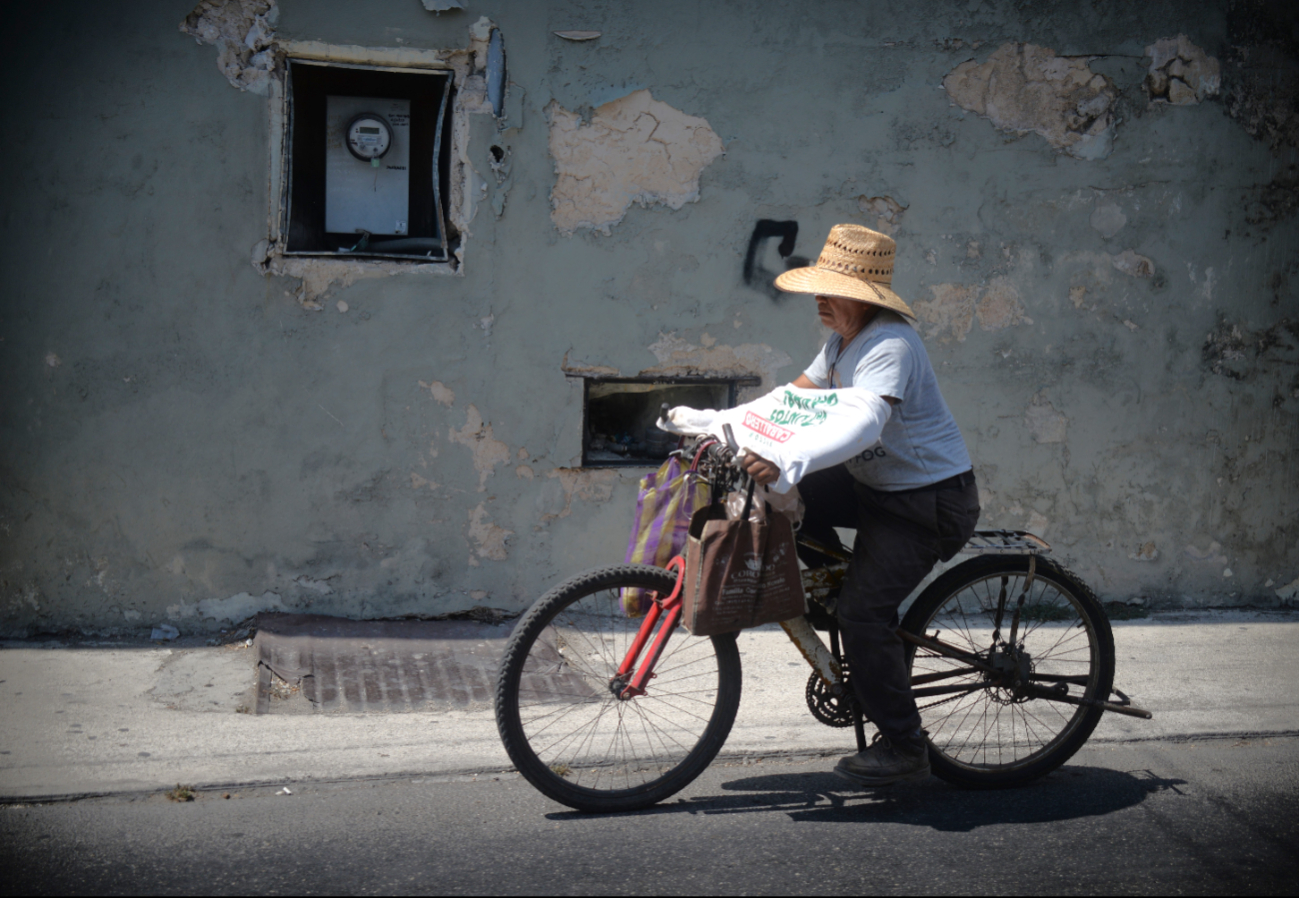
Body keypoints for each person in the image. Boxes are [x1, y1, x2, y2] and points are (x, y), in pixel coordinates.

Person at [741, 223, 981, 786]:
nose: (820, 299)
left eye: (832, 288)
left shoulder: (890, 346)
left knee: (861, 615)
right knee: (785, 501)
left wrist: (787, 458)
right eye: (817, 287)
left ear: (865, 297)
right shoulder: (841, 341)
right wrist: (726, 427)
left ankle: (905, 747)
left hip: (925, 504)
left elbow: (861, 424)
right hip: (876, 488)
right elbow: (792, 397)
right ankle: (843, 595)